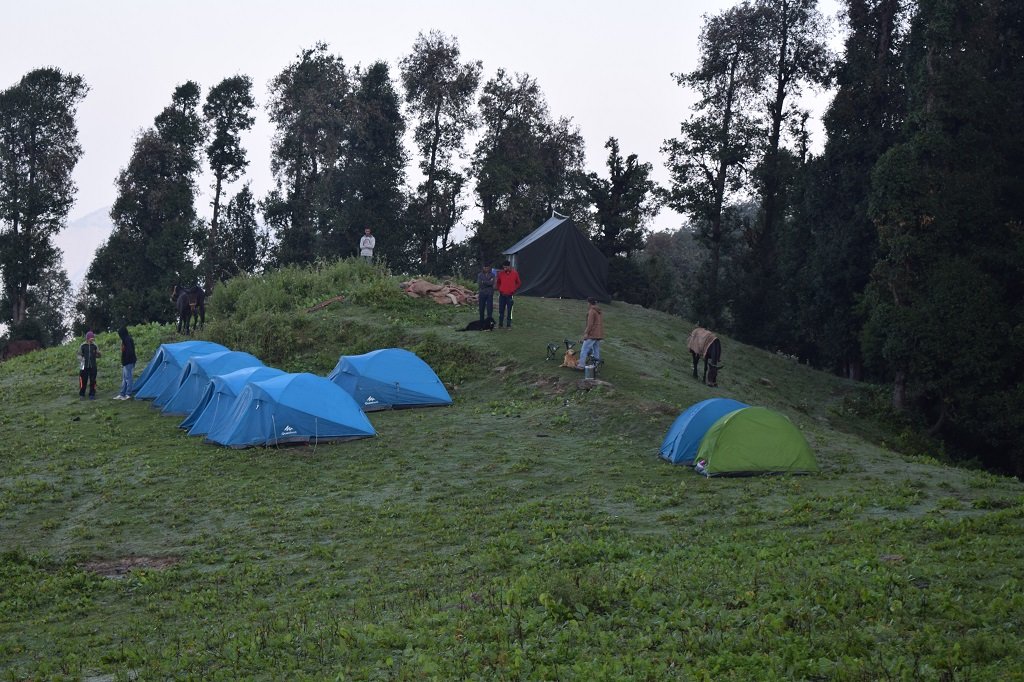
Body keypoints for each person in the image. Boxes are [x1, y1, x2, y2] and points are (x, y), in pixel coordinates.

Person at [577, 297, 604, 369]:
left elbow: (590, 324)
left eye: (587, 303)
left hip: (592, 334)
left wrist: (586, 333)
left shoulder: (592, 311)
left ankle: (581, 365)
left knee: (584, 349)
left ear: (589, 303)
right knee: (596, 350)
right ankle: (596, 365)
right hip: (598, 334)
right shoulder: (599, 311)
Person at [495, 260, 521, 329]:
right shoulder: (501, 273)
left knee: (509, 311)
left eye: (506, 267)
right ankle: (500, 324)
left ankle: (508, 325)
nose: (504, 269)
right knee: (501, 310)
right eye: (504, 267)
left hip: (510, 295)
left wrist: (514, 289)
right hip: (502, 295)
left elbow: (518, 283)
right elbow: (498, 282)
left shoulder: (515, 273)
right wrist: (499, 289)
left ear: (509, 266)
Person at [77, 330, 101, 400]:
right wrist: (81, 358)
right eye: (91, 339)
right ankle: (82, 394)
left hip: (93, 365)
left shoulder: (95, 345)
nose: (92, 340)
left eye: (93, 339)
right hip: (83, 365)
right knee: (83, 380)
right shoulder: (82, 345)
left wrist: (99, 354)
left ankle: (92, 394)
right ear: (87, 338)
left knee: (93, 380)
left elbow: (98, 356)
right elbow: (78, 355)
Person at [114, 326, 136, 399]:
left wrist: (126, 360)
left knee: (128, 378)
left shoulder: (127, 339)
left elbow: (129, 351)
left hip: (129, 362)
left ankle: (128, 394)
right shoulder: (124, 340)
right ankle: (122, 394)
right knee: (124, 378)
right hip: (125, 362)